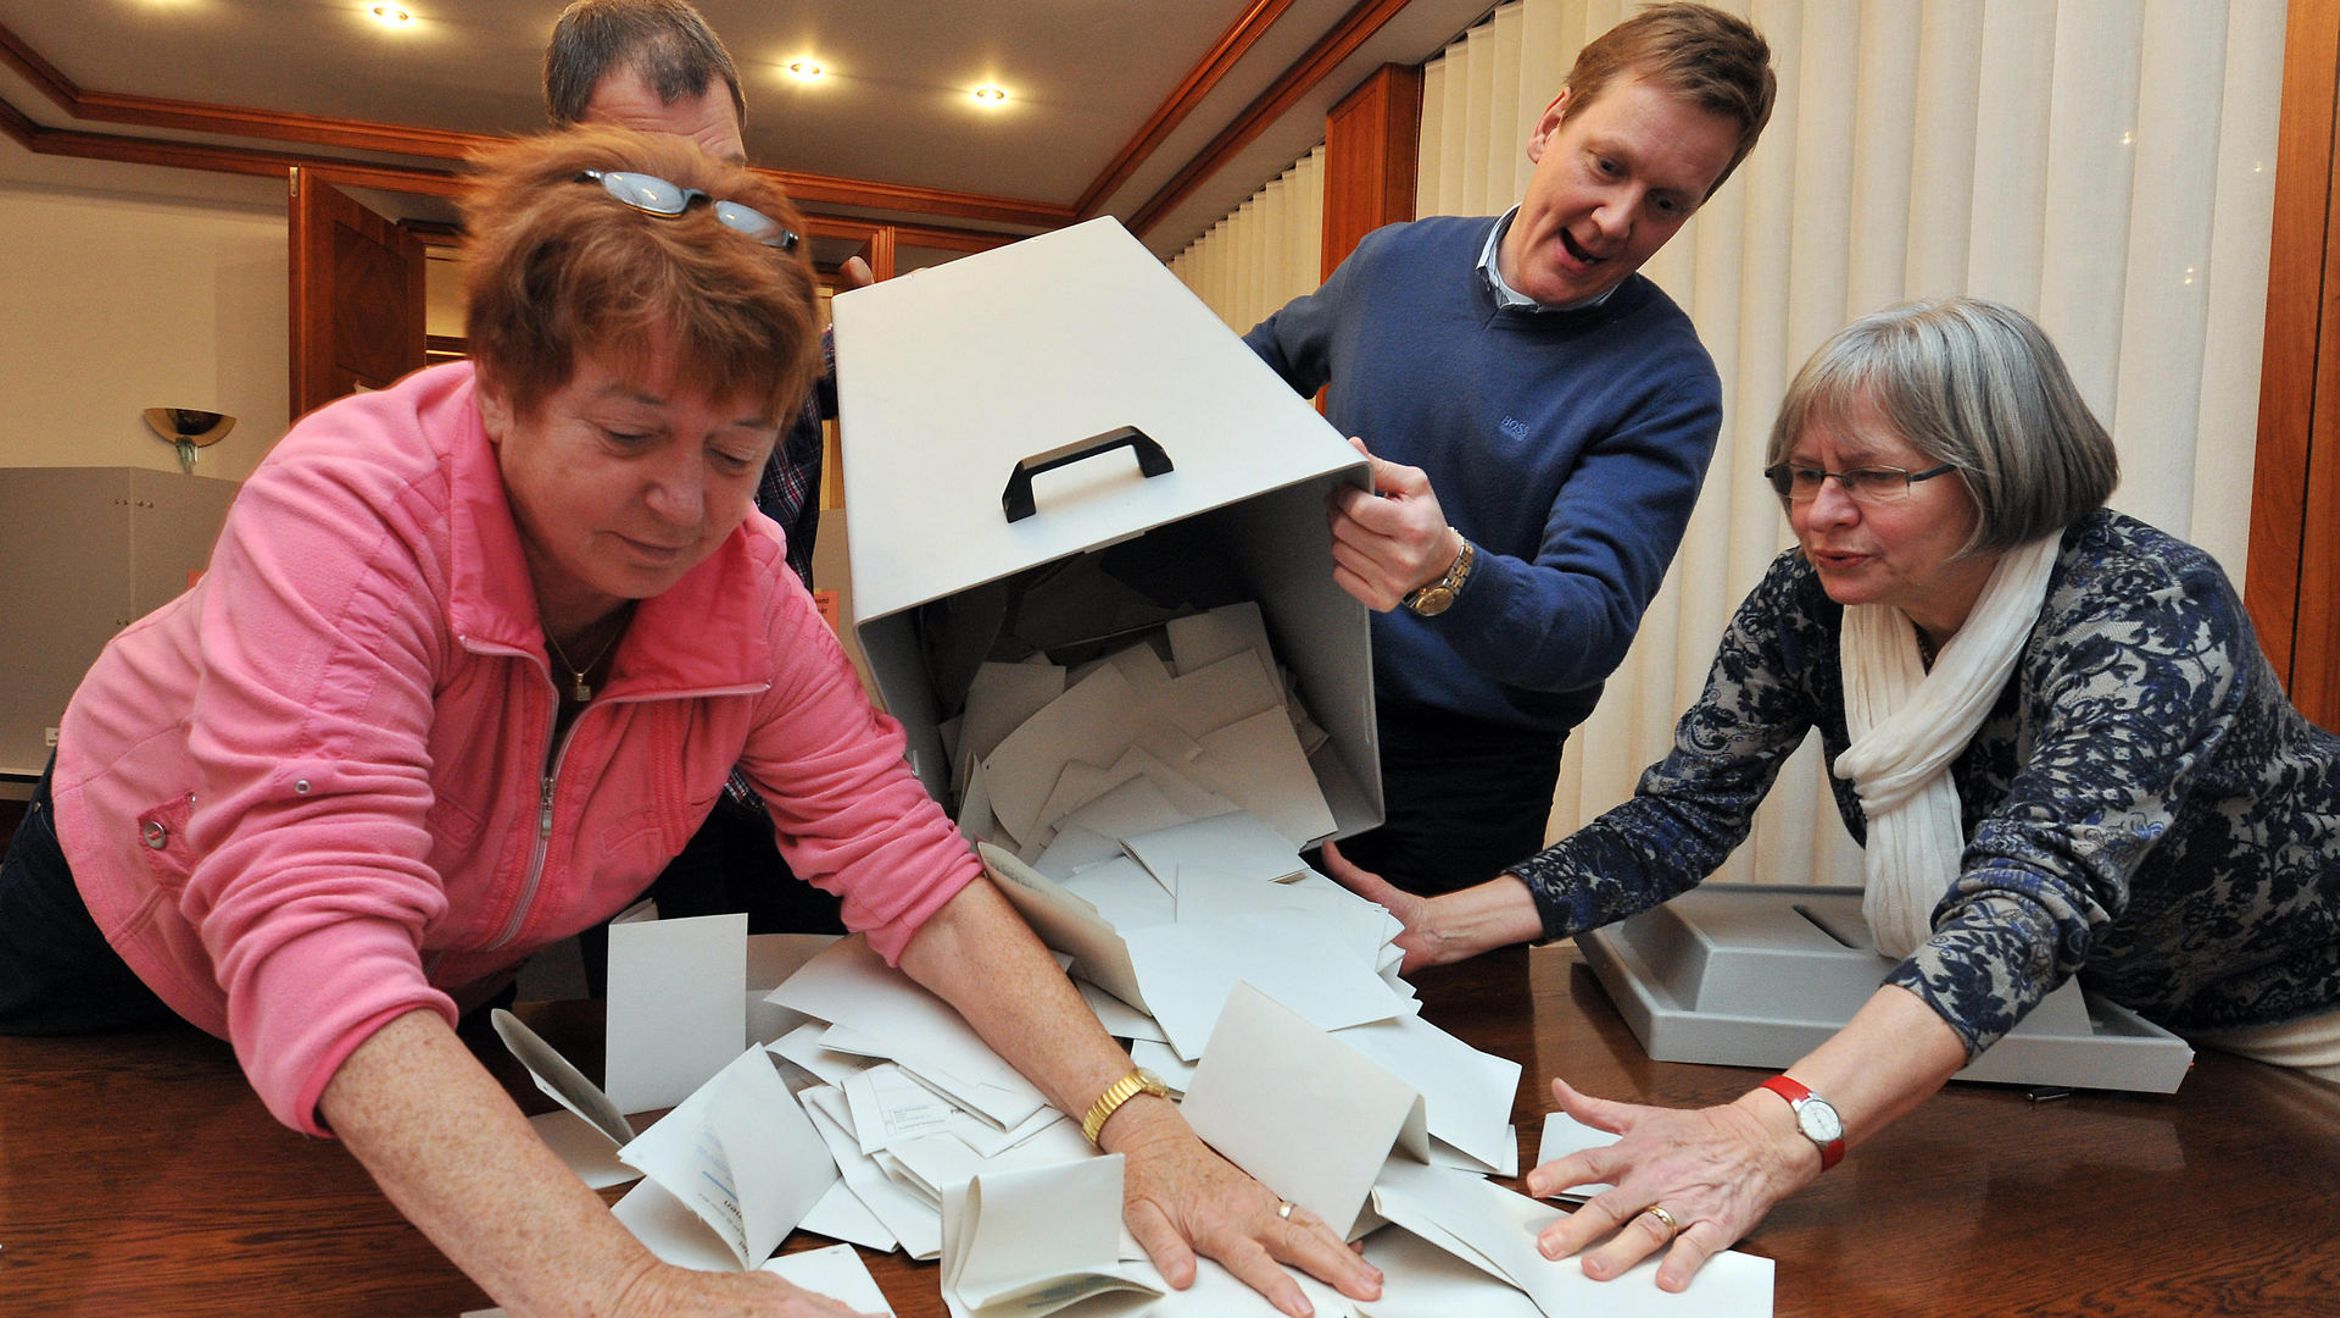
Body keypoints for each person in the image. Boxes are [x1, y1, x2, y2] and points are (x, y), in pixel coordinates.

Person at [0, 128, 1381, 1317]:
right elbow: (311, 927)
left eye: (732, 452)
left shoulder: (745, 588)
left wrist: (1130, 1117)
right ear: (498, 381)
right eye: (627, 433)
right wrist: (616, 1288)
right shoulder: (349, 512)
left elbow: (906, 865)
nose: (682, 504)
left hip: (424, 991)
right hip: (128, 932)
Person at [1325, 298, 2340, 1291]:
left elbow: (2038, 894)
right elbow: (1687, 810)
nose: (1819, 512)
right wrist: (1443, 925)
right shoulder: (1809, 602)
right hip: (2114, 1015)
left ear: (2000, 472)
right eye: (1802, 476)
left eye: (1869, 477)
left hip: (2306, 1007)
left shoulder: (2144, 604)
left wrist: (1771, 1132)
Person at [1245, 3, 1775, 894]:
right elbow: (1237, 382)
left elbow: (1588, 626)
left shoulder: (1669, 382)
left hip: (1462, 779)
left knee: (1431, 1026)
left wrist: (1448, 571)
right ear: (1549, 125)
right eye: (1608, 166)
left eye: (1666, 203)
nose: (1615, 221)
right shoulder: (1391, 263)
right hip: (1270, 709)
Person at [546, 0, 863, 942]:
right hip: (627, 794)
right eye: (646, 189)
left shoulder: (772, 316)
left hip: (777, 769)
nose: (701, 236)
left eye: (721, 182)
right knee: (654, 1064)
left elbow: (820, 370)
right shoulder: (538, 369)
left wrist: (903, 346)